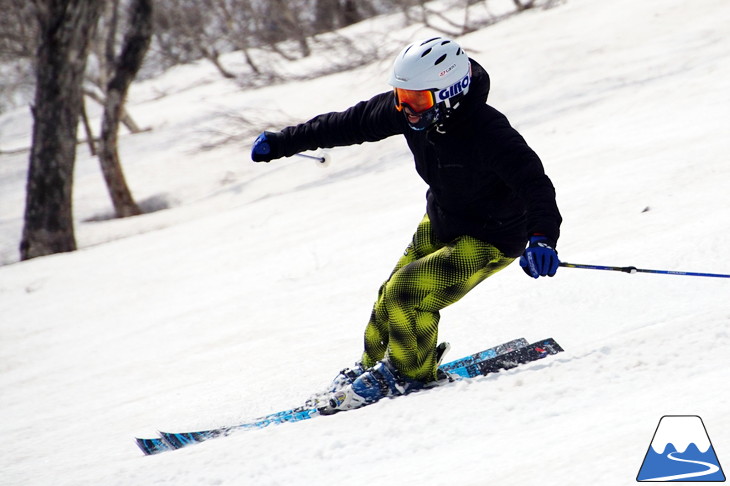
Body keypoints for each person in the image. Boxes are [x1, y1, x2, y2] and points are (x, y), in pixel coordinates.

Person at [250, 37, 562, 411]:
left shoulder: (488, 132)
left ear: (451, 91)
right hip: (444, 219)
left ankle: (409, 375)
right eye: (401, 96)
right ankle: (370, 370)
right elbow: (347, 124)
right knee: (387, 298)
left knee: (407, 294)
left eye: (417, 100)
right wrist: (285, 141)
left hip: (493, 236)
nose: (407, 109)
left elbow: (535, 184)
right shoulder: (409, 113)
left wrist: (541, 238)